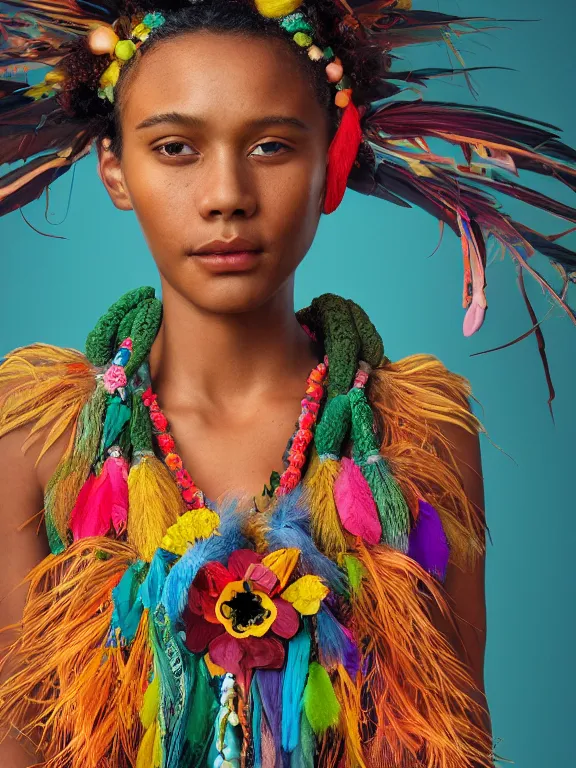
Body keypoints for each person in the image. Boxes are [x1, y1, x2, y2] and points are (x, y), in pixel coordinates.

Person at [0, 1, 573, 767]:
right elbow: (19, 738)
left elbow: (455, 737)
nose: (226, 194)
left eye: (270, 145)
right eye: (175, 148)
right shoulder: (35, 435)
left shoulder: (419, 433)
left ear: (332, 163)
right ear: (116, 171)